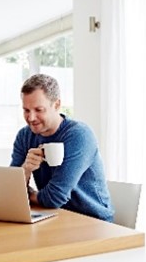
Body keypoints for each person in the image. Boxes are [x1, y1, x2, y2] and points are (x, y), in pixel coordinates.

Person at [10, 74, 114, 222]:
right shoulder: (25, 136)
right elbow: (11, 191)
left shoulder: (79, 135)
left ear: (57, 105)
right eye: (26, 110)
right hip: (56, 217)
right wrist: (25, 170)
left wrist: (30, 195)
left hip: (93, 221)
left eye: (39, 110)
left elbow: (54, 197)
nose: (31, 118)